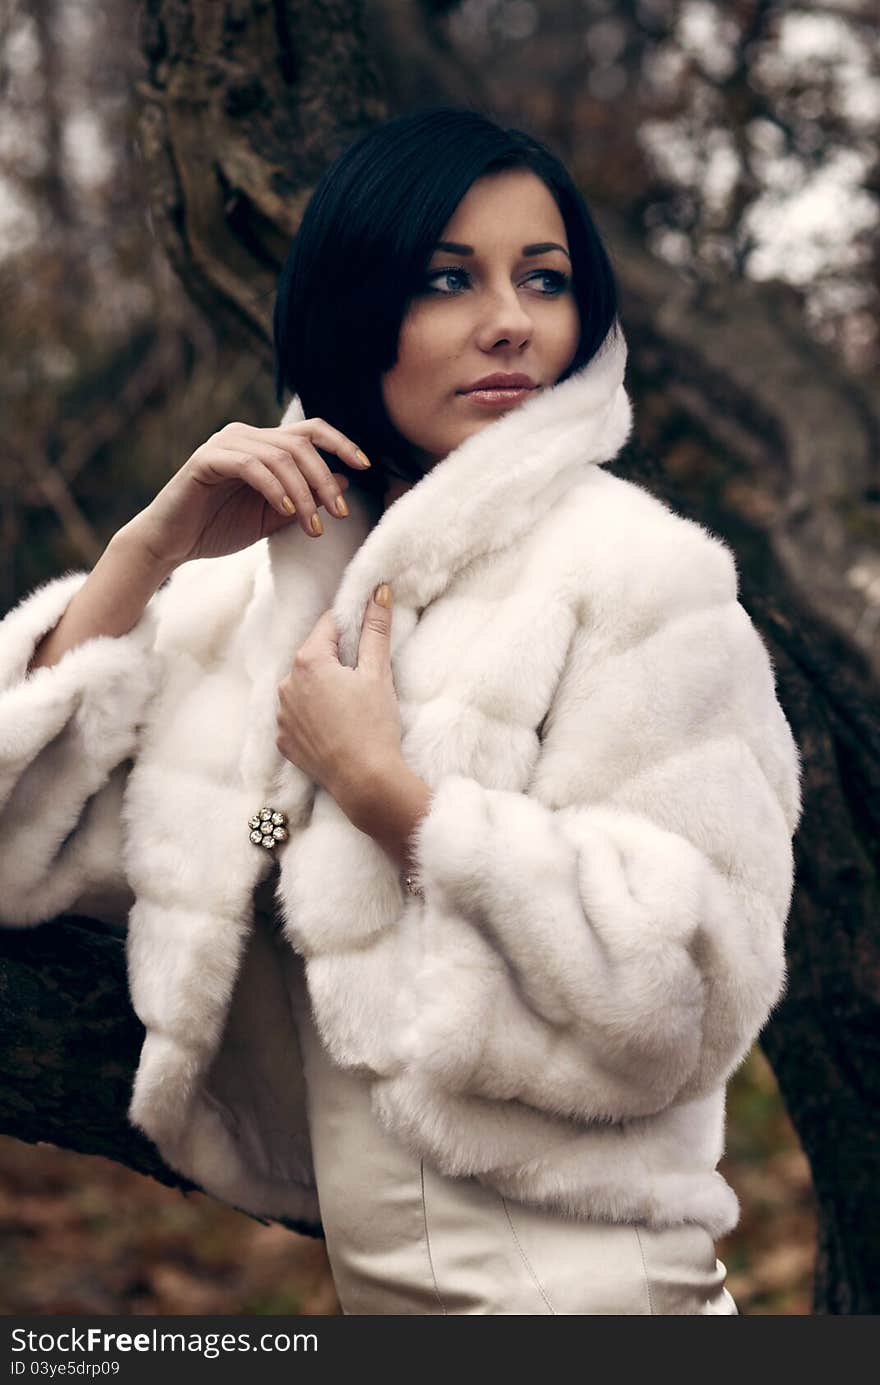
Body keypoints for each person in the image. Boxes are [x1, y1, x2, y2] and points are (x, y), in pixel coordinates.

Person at [0, 106, 802, 1315]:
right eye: (446, 278)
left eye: (545, 278)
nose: (510, 321)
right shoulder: (244, 604)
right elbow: (27, 851)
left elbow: (683, 1001)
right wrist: (142, 557)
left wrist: (397, 799)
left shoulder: (639, 578)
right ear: (352, 303)